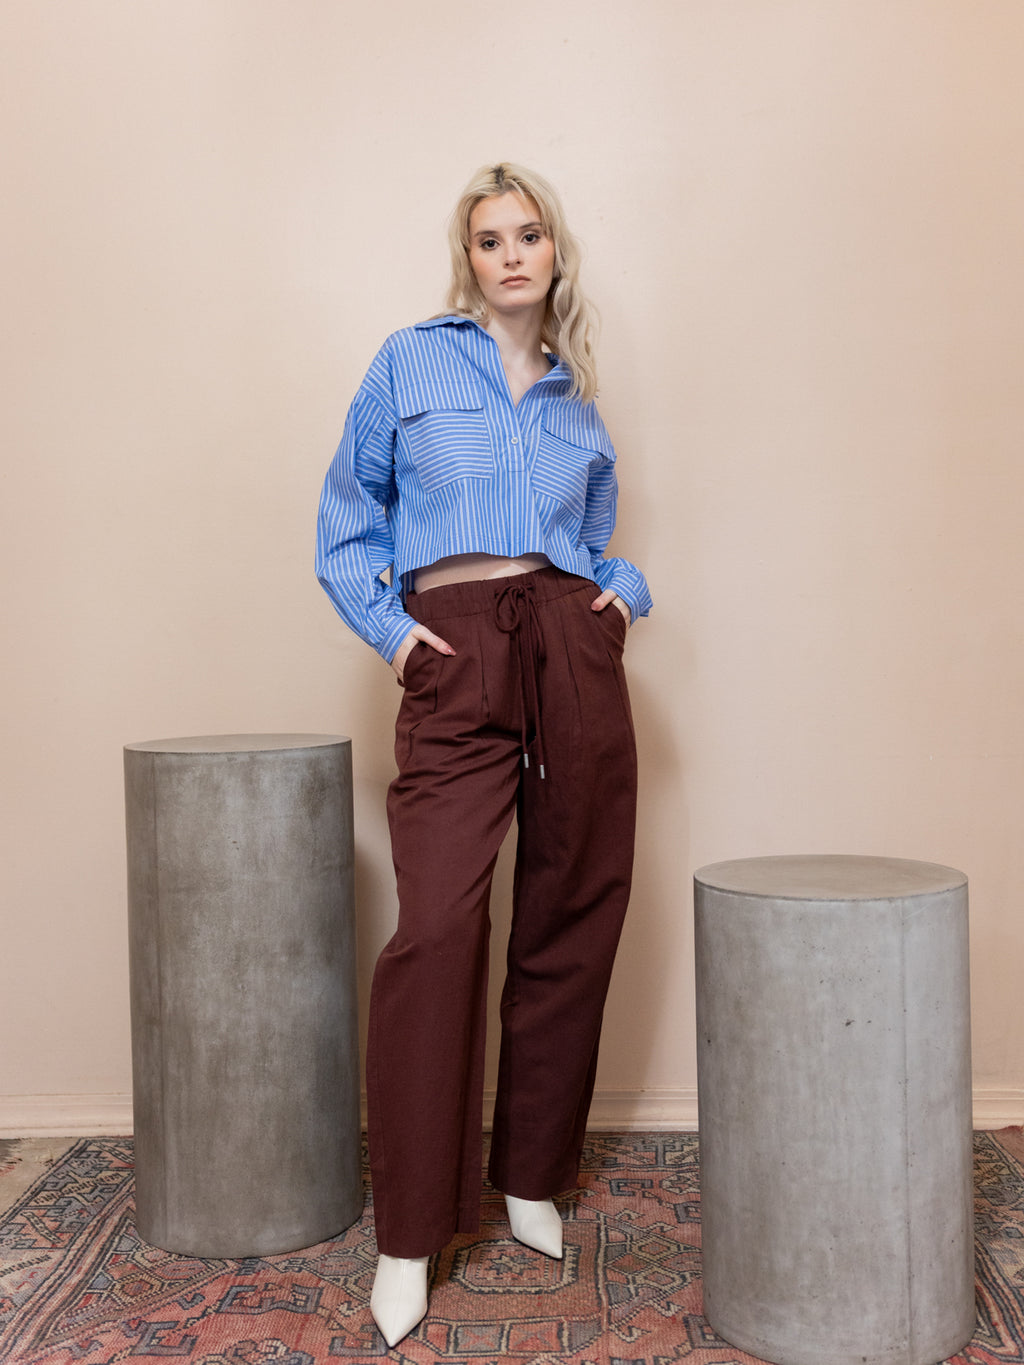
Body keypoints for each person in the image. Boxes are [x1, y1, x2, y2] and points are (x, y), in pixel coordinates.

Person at [315, 162, 652, 1346]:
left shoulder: (575, 399)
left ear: (555, 253)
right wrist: (397, 637)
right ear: (468, 259)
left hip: (567, 645)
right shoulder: (409, 361)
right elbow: (347, 516)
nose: (511, 255)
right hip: (452, 646)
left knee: (573, 902)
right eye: (490, 239)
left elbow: (592, 541)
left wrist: (619, 598)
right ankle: (410, 1232)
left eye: (529, 235)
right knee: (439, 927)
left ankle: (529, 1176)